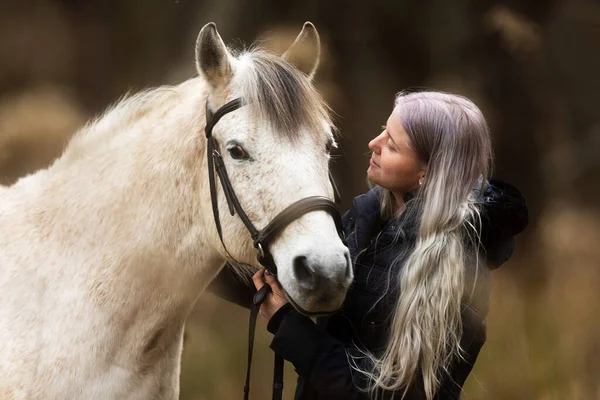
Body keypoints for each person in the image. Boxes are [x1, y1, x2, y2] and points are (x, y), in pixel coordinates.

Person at [209, 90, 528, 399]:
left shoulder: (453, 265)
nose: (372, 145)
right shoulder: (371, 218)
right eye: (381, 132)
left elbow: (392, 393)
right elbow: (304, 283)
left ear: (426, 172)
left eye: (391, 145)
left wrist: (288, 327)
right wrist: (188, 263)